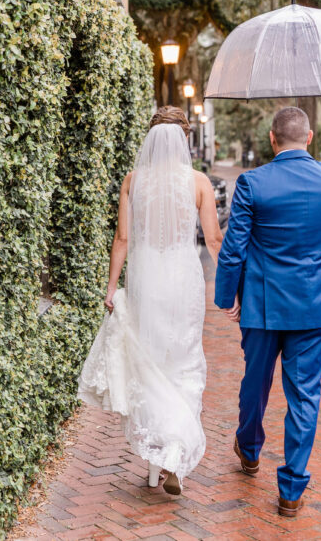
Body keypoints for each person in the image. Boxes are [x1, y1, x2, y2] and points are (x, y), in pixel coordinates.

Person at [214, 106, 321, 517]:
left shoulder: (253, 183)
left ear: (271, 139)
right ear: (309, 137)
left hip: (263, 305)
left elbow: (234, 246)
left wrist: (227, 296)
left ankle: (249, 449)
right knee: (305, 395)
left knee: (255, 382)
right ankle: (291, 491)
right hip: (316, 303)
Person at [77, 107, 224, 496]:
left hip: (145, 281)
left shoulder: (133, 181)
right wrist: (232, 285)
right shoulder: (198, 182)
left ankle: (158, 463)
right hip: (182, 280)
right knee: (184, 363)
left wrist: (111, 288)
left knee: (151, 364)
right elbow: (213, 241)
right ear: (185, 139)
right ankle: (175, 452)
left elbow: (122, 241)